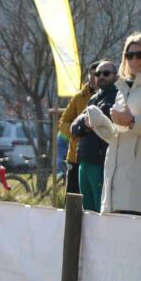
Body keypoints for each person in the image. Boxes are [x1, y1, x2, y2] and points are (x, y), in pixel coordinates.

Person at [87, 32, 141, 215]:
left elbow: (130, 124)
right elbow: (119, 136)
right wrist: (100, 123)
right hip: (115, 184)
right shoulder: (122, 89)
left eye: (140, 54)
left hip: (139, 188)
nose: (134, 60)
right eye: (129, 55)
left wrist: (132, 121)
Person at [71, 61, 118, 212]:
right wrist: (87, 124)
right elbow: (74, 127)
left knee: (100, 210)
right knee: (87, 211)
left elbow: (102, 118)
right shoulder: (94, 98)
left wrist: (87, 122)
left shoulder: (118, 97)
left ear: (116, 76)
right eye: (98, 74)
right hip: (84, 161)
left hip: (100, 163)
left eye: (106, 73)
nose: (101, 76)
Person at [58, 61, 99, 194]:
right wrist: (76, 131)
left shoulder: (112, 96)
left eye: (97, 74)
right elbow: (63, 122)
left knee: (95, 197)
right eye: (90, 74)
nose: (93, 78)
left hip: (99, 158)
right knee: (73, 196)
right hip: (75, 157)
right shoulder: (78, 97)